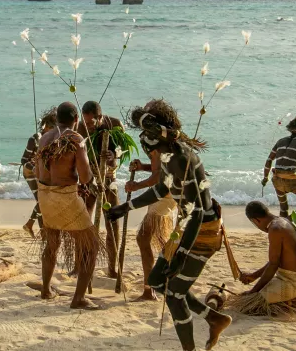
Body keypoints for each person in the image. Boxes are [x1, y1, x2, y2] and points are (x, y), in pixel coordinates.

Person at [107, 99, 231, 351]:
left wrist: (180, 255)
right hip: (186, 228)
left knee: (174, 294)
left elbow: (197, 211)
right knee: (157, 282)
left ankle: (190, 348)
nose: (145, 143)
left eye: (148, 137)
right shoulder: (166, 154)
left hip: (203, 230)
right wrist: (124, 208)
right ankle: (214, 318)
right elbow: (162, 188)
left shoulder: (181, 157)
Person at [35, 102, 102, 310]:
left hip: (44, 196)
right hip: (65, 197)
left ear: (56, 119)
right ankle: (78, 298)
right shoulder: (76, 139)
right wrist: (93, 181)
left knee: (52, 243)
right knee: (91, 247)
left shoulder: (44, 137)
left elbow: (38, 171)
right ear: (76, 120)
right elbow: (84, 176)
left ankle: (46, 289)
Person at [226, 200, 296, 316]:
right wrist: (253, 276)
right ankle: (293, 298)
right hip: (294, 278)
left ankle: (293, 300)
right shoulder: (283, 221)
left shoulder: (275, 229)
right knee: (257, 294)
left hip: (291, 282)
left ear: (256, 220)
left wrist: (253, 292)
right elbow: (274, 261)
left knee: (246, 306)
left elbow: (273, 265)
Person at [77, 100, 124, 278]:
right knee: (84, 223)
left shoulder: (115, 124)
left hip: (109, 178)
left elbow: (123, 151)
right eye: (85, 121)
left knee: (113, 223)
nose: (87, 126)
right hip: (89, 179)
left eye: (91, 123)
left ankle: (113, 268)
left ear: (100, 117)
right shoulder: (80, 128)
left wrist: (114, 155)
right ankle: (81, 265)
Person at [124, 147, 177, 302]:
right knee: (160, 240)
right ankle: (167, 279)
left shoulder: (159, 146)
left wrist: (137, 185)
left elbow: (159, 176)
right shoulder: (161, 144)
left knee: (143, 238)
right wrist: (143, 167)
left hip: (164, 194)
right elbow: (159, 169)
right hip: (164, 193)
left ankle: (149, 290)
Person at [21, 107, 58, 238]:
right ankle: (40, 229)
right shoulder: (34, 139)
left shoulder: (52, 140)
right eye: (53, 128)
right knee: (41, 200)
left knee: (43, 201)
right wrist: (34, 167)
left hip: (41, 172)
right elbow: (23, 160)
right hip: (30, 172)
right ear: (47, 126)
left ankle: (32, 225)